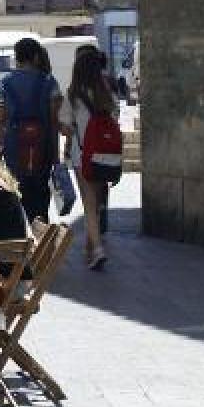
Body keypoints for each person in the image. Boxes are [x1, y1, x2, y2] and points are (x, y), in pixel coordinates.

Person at [59, 50, 118, 270]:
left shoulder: (73, 95)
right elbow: (115, 120)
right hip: (104, 157)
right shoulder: (107, 94)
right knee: (97, 202)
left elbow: (65, 127)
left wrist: (72, 128)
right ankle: (90, 246)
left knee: (89, 204)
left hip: (82, 156)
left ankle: (98, 250)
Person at [0, 38, 62, 223]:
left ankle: (24, 237)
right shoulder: (50, 82)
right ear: (37, 57)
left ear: (17, 57)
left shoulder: (4, 83)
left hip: (14, 147)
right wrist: (56, 155)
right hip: (43, 146)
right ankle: (43, 236)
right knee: (41, 191)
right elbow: (54, 122)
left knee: (17, 191)